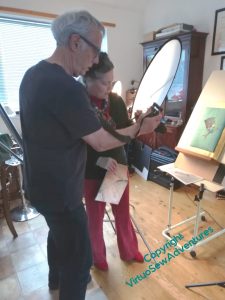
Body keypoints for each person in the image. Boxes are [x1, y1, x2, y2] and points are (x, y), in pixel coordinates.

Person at [19, 10, 161, 300]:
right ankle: (63, 284)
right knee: (79, 263)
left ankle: (54, 282)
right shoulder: (67, 88)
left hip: (38, 186)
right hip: (62, 192)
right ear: (75, 43)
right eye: (95, 50)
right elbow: (99, 141)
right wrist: (141, 128)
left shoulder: (33, 74)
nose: (96, 59)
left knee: (58, 237)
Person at [83, 52, 144, 271]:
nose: (109, 88)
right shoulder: (79, 103)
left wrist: (138, 122)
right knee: (95, 219)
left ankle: (128, 250)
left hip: (117, 166)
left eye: (112, 82)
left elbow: (123, 131)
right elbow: (78, 143)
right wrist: (101, 161)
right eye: (104, 83)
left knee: (122, 214)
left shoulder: (116, 101)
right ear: (87, 78)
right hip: (91, 169)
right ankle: (97, 258)